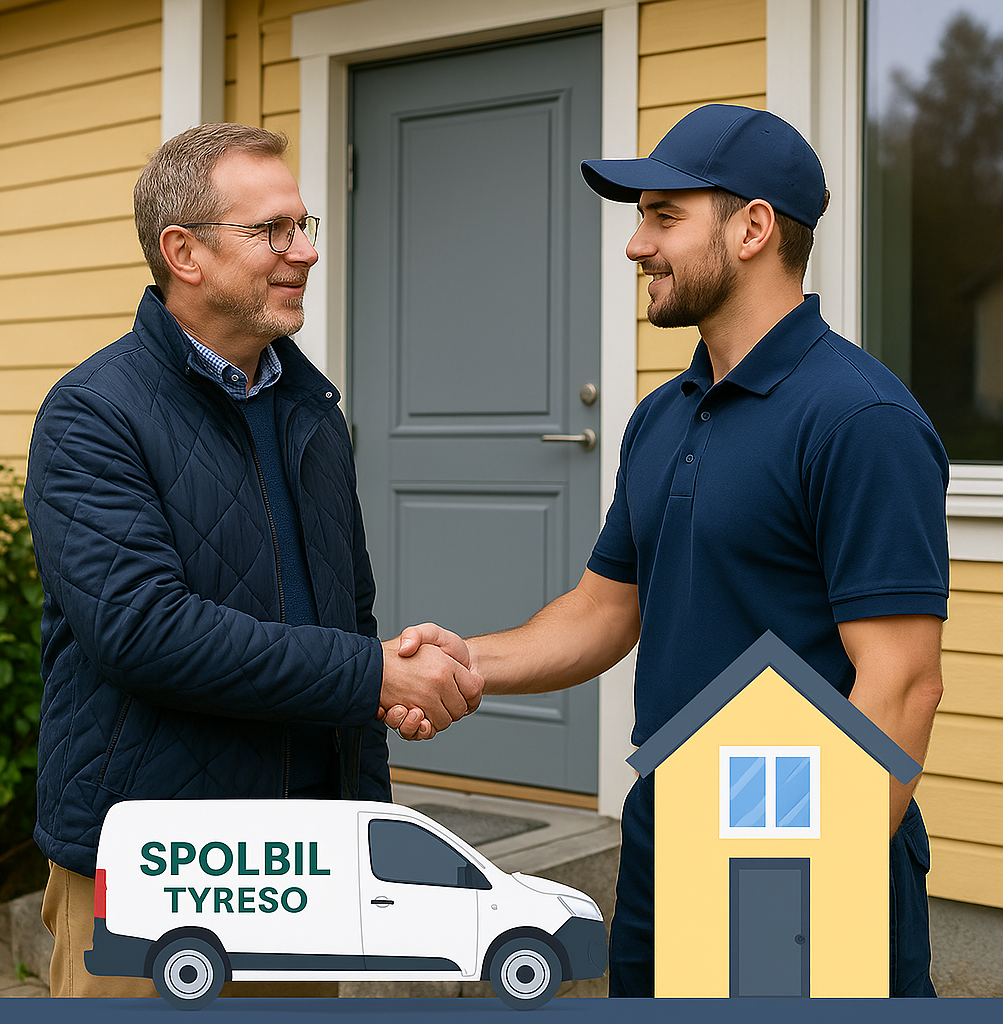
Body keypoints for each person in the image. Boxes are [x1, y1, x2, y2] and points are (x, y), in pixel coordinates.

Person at [391, 104, 948, 997]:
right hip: (667, 817)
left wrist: (803, 892)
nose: (636, 245)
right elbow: (604, 611)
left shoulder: (859, 419)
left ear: (753, 229)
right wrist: (464, 664)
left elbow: (903, 682)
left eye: (664, 216)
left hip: (795, 833)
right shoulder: (662, 416)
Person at [24, 122, 480, 998]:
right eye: (272, 230)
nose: (304, 251)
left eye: (303, 225)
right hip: (155, 868)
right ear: (183, 253)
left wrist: (366, 811)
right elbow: (143, 632)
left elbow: (349, 620)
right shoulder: (93, 413)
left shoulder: (312, 411)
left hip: (299, 868)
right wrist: (375, 676)